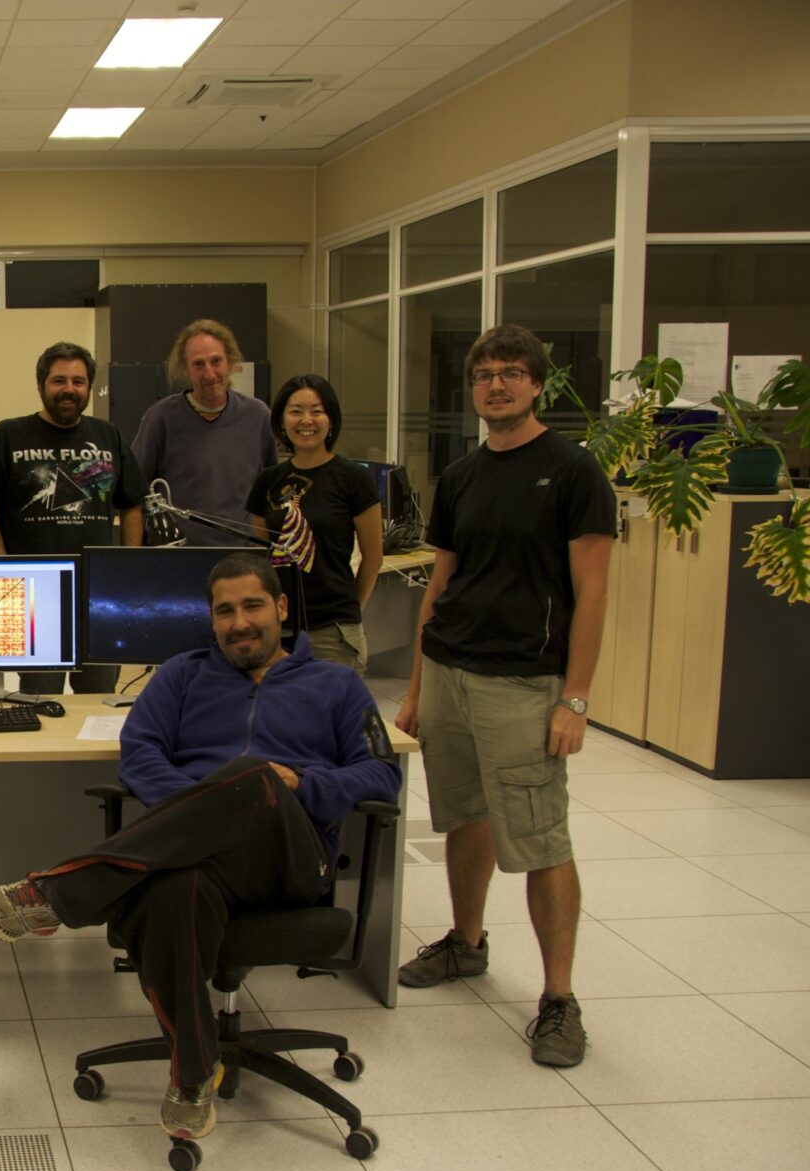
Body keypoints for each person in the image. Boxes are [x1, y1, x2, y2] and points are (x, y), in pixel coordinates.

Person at [0, 552, 398, 1139]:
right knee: (175, 888)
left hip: (293, 857)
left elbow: (382, 777)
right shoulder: (180, 674)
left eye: (251, 606)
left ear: (280, 608)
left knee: (256, 777)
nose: (238, 622)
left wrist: (302, 784)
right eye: (224, 611)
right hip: (197, 855)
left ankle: (58, 893)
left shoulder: (337, 684)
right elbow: (140, 753)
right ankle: (193, 1074)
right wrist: (202, 809)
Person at [393, 323, 614, 1070]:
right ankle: (467, 942)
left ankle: (559, 998)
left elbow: (593, 593)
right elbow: (440, 586)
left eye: (511, 373)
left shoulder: (574, 472)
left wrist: (575, 699)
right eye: (484, 373)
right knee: (465, 814)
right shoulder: (460, 477)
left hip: (525, 680)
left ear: (536, 384)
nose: (495, 384)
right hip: (451, 670)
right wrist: (418, 686)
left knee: (541, 836)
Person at [0, 341, 144, 694]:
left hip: (98, 595)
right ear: (40, 385)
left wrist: (126, 567)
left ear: (89, 387)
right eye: (59, 381)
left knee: (98, 697)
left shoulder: (108, 435)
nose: (69, 390)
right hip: (35, 596)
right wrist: (5, 571)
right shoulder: (8, 435)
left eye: (78, 382)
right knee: (39, 697)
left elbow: (132, 507)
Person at [246, 374, 383, 672]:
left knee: (329, 716)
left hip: (332, 631)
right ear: (282, 421)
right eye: (296, 411)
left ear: (331, 420)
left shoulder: (354, 478)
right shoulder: (267, 481)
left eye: (317, 411)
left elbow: (374, 557)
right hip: (276, 629)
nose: (306, 420)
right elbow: (263, 557)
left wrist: (351, 612)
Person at [132, 319, 276, 546]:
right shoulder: (161, 418)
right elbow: (135, 491)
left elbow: (272, 495)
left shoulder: (258, 416)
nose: (209, 373)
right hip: (182, 558)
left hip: (243, 559)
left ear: (230, 361)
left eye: (216, 361)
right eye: (198, 364)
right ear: (185, 369)